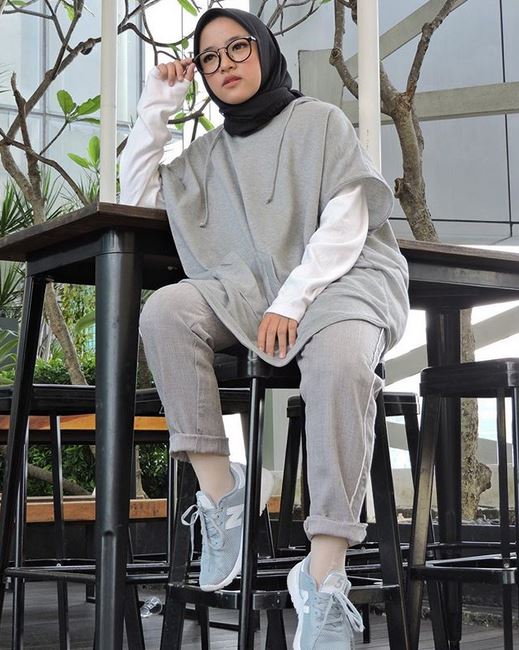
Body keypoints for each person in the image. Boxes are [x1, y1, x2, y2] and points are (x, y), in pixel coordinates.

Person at [119, 7, 409, 648]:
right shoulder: (206, 157)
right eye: (209, 57)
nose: (225, 64)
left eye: (238, 47)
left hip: (340, 280)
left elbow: (347, 220)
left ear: (265, 49)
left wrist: (294, 299)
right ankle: (223, 495)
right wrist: (156, 105)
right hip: (251, 290)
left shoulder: (319, 121)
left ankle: (325, 575)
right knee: (165, 311)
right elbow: (135, 200)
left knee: (342, 361)